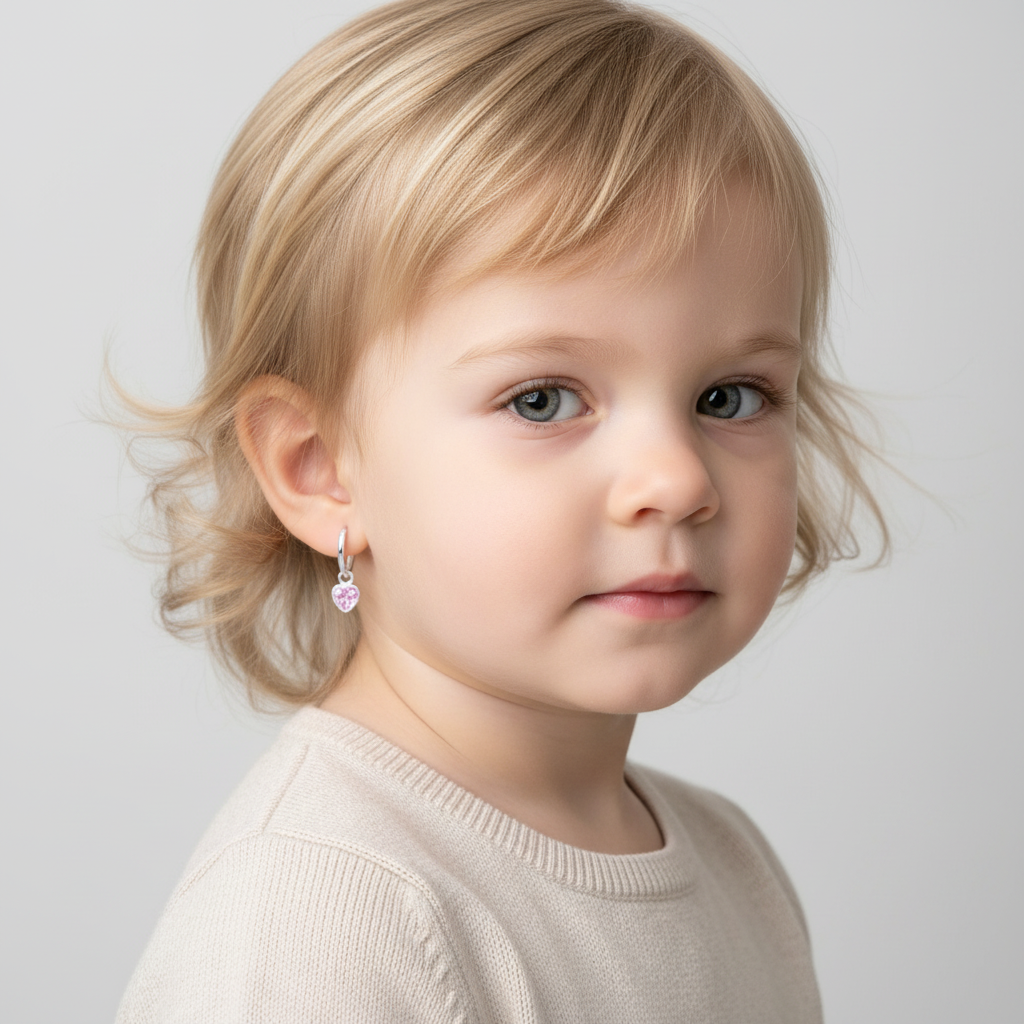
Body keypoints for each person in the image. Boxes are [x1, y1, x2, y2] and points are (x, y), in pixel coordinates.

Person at [113, 0, 888, 1019]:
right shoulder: (320, 917)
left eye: (727, 397)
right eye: (542, 399)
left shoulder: (732, 863)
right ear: (318, 471)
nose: (678, 478)